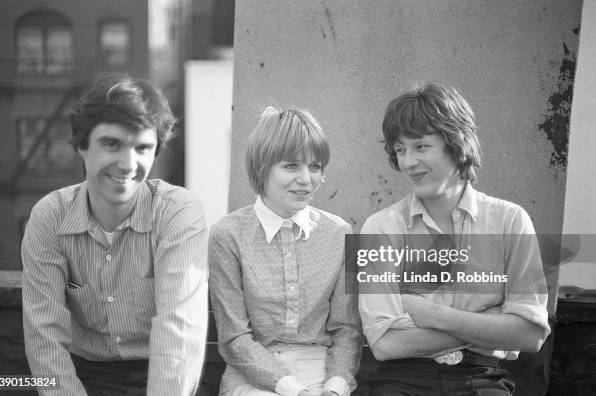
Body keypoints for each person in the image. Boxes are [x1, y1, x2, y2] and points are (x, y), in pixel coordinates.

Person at [358, 82, 550, 395]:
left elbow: (530, 335)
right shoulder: (379, 229)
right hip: (401, 379)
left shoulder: (511, 221)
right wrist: (492, 325)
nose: (407, 162)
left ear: (456, 142)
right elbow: (385, 345)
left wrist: (435, 316)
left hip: (483, 377)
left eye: (420, 146)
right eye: (400, 150)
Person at [22, 75, 208, 395]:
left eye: (142, 148)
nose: (128, 164)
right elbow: (44, 338)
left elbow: (179, 330)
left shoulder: (178, 212)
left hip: (161, 373)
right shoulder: (50, 217)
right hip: (82, 375)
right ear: (82, 145)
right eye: (112, 144)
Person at [208, 107, 363, 396]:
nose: (306, 178)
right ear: (261, 168)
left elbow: (347, 329)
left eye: (315, 167)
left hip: (323, 371)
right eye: (292, 166)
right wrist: (295, 391)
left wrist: (335, 386)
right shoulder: (227, 235)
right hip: (252, 375)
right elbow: (235, 339)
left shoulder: (340, 233)